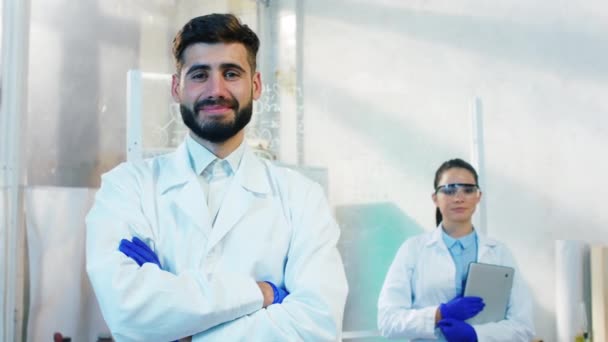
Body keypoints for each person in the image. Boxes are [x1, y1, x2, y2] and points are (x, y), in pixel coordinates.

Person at [86, 13, 348, 341]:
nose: (216, 89)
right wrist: (261, 294)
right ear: (176, 87)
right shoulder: (127, 188)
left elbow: (317, 326)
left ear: (255, 85)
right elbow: (128, 310)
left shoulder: (301, 198)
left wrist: (182, 331)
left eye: (231, 73)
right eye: (199, 75)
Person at [377, 158, 534, 341]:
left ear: (478, 196)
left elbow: (523, 326)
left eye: (468, 190)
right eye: (449, 190)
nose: (459, 198)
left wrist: (476, 335)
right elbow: (387, 321)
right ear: (435, 198)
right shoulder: (413, 250)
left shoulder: (499, 252)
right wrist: (439, 314)